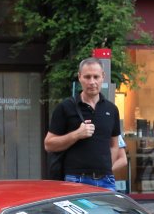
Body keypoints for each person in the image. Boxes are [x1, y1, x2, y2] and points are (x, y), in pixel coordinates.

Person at [44, 58, 126, 190]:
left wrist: (105, 169)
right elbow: (49, 144)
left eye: (96, 77)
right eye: (87, 77)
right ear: (79, 77)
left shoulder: (111, 109)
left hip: (106, 180)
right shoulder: (65, 107)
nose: (92, 82)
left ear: (103, 77)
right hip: (75, 179)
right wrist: (77, 134)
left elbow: (114, 145)